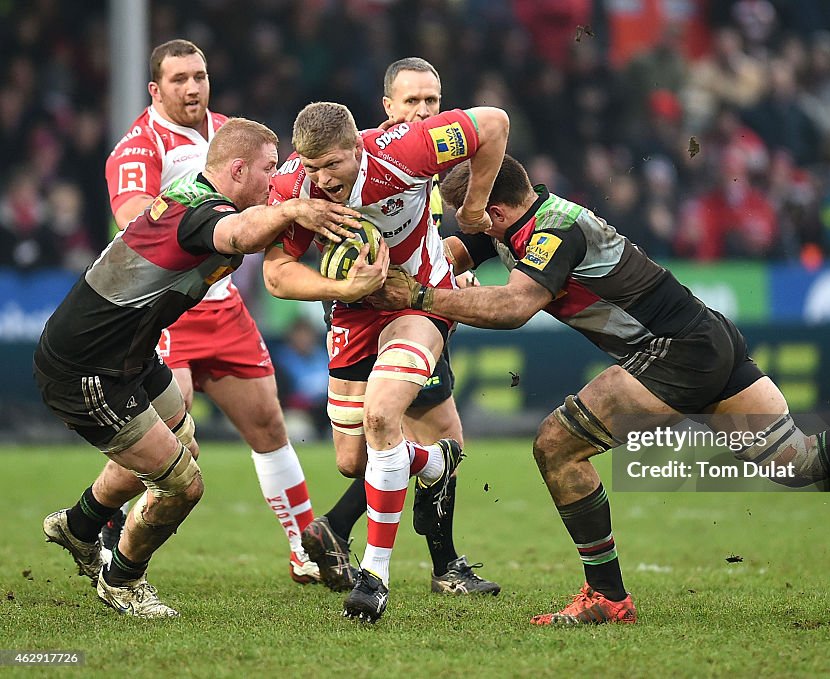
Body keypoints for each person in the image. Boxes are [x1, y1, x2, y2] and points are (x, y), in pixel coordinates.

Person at [370, 154, 830, 625]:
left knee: (555, 446)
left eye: (470, 210)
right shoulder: (514, 219)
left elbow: (515, 306)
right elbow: (459, 248)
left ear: (495, 201)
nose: (466, 223)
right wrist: (412, 263)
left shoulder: (553, 228)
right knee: (800, 462)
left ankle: (607, 595)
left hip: (672, 351)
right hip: (705, 338)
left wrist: (423, 296)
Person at [39, 118, 381, 617]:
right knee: (183, 483)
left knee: (183, 447)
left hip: (130, 355)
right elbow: (238, 233)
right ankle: (123, 578)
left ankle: (81, 524)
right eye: (269, 169)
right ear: (237, 169)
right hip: (87, 368)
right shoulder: (202, 211)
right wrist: (294, 209)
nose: (275, 181)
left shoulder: (196, 195)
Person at [263, 99, 509, 622]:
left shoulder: (404, 150)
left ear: (357, 146)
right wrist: (340, 286)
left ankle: (375, 576)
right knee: (354, 462)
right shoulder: (295, 190)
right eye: (311, 167)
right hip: (352, 315)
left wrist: (472, 209)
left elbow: (493, 124)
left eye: (332, 164)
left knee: (381, 417)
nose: (323, 179)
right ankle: (434, 462)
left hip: (418, 301)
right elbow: (277, 273)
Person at [103, 39, 320, 584]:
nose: (193, 87)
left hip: (222, 305)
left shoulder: (229, 135)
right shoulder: (138, 147)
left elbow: (273, 193)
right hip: (165, 310)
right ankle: (109, 538)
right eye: (178, 79)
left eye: (199, 75)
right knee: (169, 442)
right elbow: (137, 226)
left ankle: (305, 548)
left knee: (270, 424)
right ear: (155, 89)